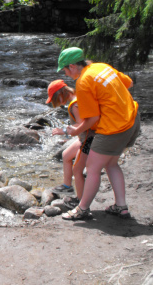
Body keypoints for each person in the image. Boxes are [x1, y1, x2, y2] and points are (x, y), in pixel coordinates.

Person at [56, 47, 140, 221]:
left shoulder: (83, 81)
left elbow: (92, 118)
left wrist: (74, 131)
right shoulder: (102, 67)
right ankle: (121, 207)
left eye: (64, 69)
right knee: (112, 164)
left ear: (72, 66)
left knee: (93, 169)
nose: (65, 74)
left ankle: (82, 209)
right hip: (132, 120)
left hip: (113, 128)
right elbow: (128, 83)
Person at [46, 79, 95, 208]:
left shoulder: (75, 105)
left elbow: (82, 124)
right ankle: (67, 186)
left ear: (61, 93)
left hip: (88, 139)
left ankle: (80, 201)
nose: (55, 102)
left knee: (77, 169)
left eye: (55, 98)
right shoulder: (77, 97)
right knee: (66, 155)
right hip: (84, 137)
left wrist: (63, 131)